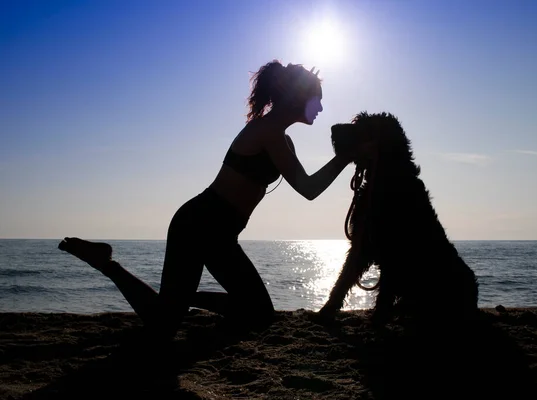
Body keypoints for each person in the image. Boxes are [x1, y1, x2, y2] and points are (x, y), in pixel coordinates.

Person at [58, 60, 370, 338]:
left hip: (218, 231)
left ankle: (179, 297)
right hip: (200, 224)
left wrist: (345, 158)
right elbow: (308, 189)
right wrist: (344, 158)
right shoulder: (269, 132)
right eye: (316, 100)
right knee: (166, 322)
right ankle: (109, 265)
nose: (320, 108)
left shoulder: (281, 137)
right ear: (296, 97)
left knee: (252, 314)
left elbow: (307, 185)